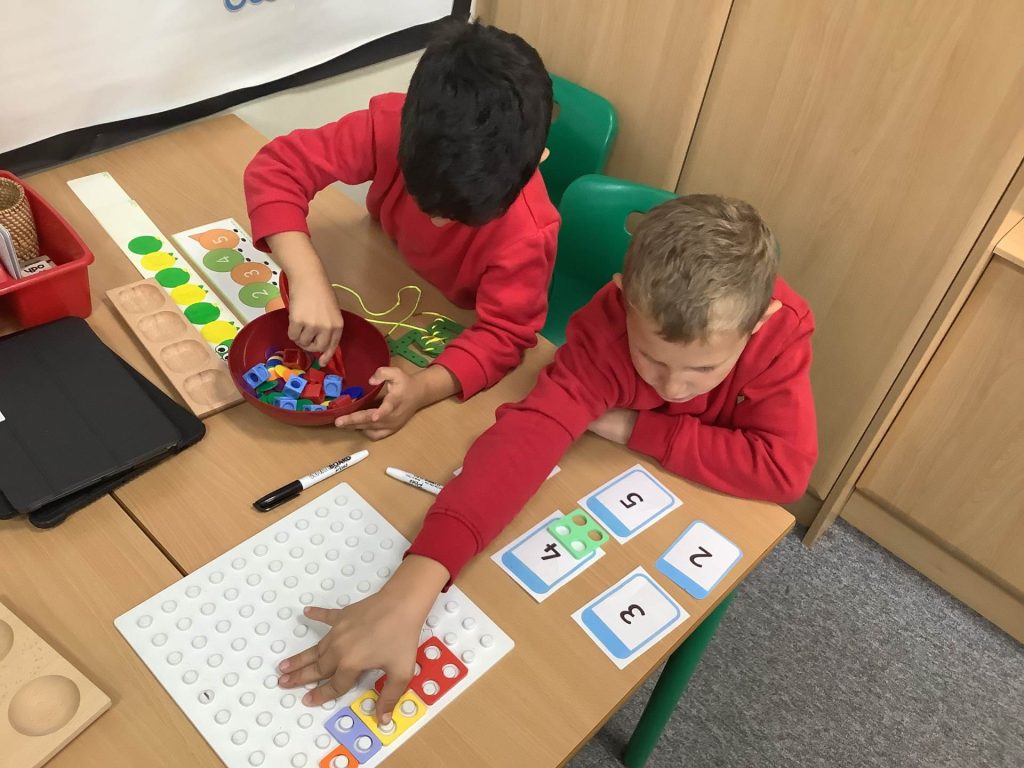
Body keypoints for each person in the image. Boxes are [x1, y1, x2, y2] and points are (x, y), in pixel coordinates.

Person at [278, 194, 817, 725]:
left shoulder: (781, 331)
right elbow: (524, 441)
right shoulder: (607, 328)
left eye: (703, 370)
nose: (673, 386)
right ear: (622, 296)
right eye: (650, 359)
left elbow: (784, 469)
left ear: (760, 323)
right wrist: (411, 588)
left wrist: (635, 426)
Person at [244, 21, 558, 439]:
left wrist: (423, 389)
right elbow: (277, 169)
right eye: (424, 200)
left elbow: (505, 334)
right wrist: (307, 277)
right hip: (384, 274)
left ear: (536, 161)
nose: (436, 222)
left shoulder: (528, 233)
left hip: (448, 321)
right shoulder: (390, 126)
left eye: (459, 216)